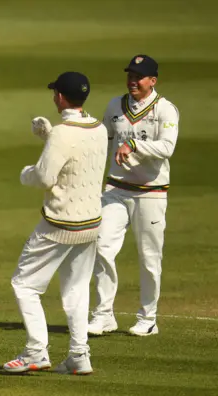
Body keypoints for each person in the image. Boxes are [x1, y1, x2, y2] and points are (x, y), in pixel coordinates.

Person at [2, 72, 107, 375]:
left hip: (60, 223)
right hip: (90, 224)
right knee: (76, 289)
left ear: (60, 97)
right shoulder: (98, 128)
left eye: (55, 94)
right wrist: (49, 136)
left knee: (24, 285)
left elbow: (45, 177)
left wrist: (26, 172)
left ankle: (36, 351)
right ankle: (79, 355)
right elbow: (80, 154)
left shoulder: (63, 132)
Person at [89, 55, 180, 337]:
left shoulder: (166, 110)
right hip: (116, 190)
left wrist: (133, 145)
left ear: (153, 81)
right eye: (130, 75)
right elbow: (101, 142)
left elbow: (167, 147)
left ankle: (148, 318)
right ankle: (103, 315)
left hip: (151, 194)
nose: (132, 81)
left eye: (139, 76)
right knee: (101, 247)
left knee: (149, 257)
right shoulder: (115, 105)